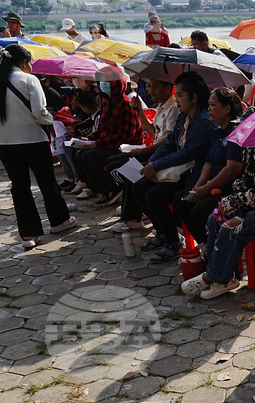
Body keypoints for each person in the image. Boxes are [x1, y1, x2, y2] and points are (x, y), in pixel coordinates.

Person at [0, 45, 77, 249]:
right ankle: (59, 221)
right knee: (46, 182)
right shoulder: (29, 80)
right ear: (23, 62)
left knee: (19, 186)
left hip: (3, 142)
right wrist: (49, 120)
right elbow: (39, 112)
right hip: (32, 139)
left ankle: (29, 234)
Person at [181, 145, 255, 299]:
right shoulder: (250, 151)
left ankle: (216, 279)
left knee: (232, 227)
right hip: (250, 204)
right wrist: (238, 192)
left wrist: (233, 201)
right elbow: (243, 178)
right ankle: (220, 275)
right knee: (213, 219)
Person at [133, 71, 216, 263]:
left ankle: (173, 242)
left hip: (192, 174)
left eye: (180, 95)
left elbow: (188, 152)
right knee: (139, 186)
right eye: (176, 94)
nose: (176, 99)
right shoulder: (184, 117)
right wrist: (152, 163)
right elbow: (170, 143)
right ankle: (163, 233)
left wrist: (156, 165)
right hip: (178, 170)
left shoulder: (203, 121)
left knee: (154, 195)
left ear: (194, 97)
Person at [170, 87, 244, 244]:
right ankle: (204, 243)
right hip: (212, 185)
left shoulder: (236, 133)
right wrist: (199, 186)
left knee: (198, 211)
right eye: (209, 105)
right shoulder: (216, 132)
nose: (209, 109)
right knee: (181, 200)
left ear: (227, 108)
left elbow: (232, 169)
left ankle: (216, 247)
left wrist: (206, 189)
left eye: (213, 105)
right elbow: (209, 162)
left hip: (231, 189)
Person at [109, 78, 178, 233]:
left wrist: (144, 151)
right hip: (154, 149)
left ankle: (133, 216)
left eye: (156, 86)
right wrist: (139, 110)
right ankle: (132, 208)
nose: (151, 91)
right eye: (149, 86)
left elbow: (168, 140)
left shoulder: (173, 108)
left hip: (160, 152)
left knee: (130, 170)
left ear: (168, 88)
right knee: (115, 163)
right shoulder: (161, 106)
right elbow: (154, 132)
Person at [74, 66, 145, 205]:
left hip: (124, 147)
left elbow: (125, 137)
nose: (103, 85)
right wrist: (89, 139)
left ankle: (111, 188)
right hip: (108, 144)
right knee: (79, 153)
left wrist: (97, 144)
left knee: (89, 156)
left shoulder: (126, 105)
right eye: (101, 82)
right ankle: (99, 189)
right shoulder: (107, 103)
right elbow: (102, 128)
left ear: (116, 83)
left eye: (107, 82)